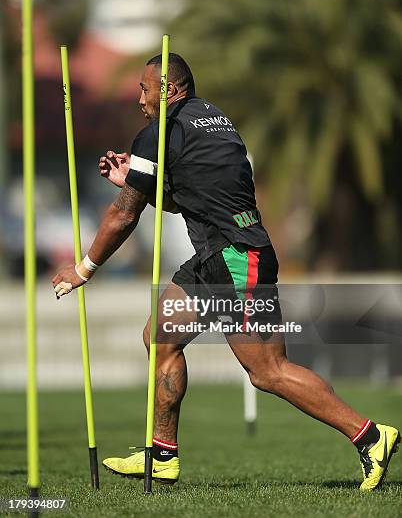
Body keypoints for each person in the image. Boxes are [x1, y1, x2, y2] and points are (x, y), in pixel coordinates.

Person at [52, 53, 399, 491]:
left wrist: (83, 270)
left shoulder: (158, 134)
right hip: (213, 257)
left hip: (237, 258)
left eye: (144, 89)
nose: (139, 97)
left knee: (267, 370)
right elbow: (191, 199)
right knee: (160, 336)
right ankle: (163, 454)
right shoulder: (215, 121)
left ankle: (369, 436)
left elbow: (123, 217)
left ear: (169, 90)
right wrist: (135, 180)